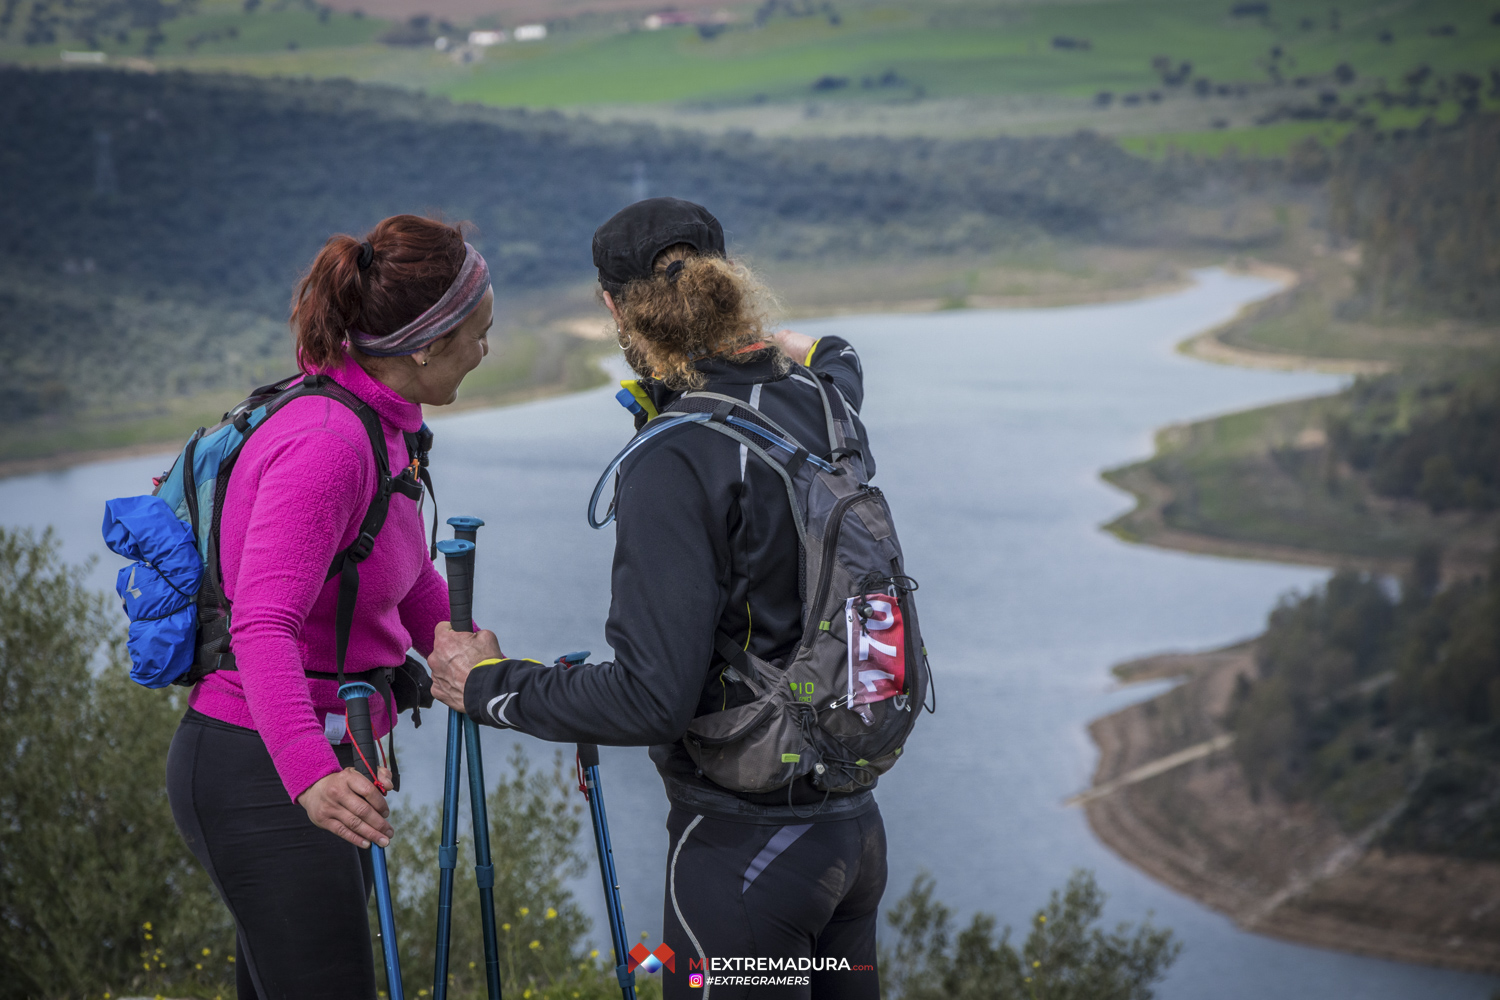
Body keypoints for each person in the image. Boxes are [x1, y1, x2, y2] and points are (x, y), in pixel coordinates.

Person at [428, 197, 886, 1000]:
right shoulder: (825, 402)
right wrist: (770, 346)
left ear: (613, 306)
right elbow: (837, 353)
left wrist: (488, 685)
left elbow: (650, 700)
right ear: (727, 281)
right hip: (850, 838)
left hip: (745, 863)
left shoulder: (674, 458)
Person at [166, 214, 492, 999]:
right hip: (262, 767)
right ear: (422, 345)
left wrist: (470, 653)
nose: (487, 350)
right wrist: (311, 774)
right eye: (477, 334)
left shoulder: (384, 428)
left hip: (322, 751)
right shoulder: (328, 444)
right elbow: (261, 623)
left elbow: (404, 578)